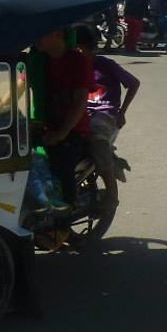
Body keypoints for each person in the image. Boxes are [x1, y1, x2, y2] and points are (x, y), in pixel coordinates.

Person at [74, 26, 139, 211]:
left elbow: (134, 84)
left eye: (79, 48)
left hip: (105, 112)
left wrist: (122, 112)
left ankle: (111, 193)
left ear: (87, 47)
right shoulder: (75, 66)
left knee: (96, 139)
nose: (77, 52)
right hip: (81, 111)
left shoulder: (106, 65)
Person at [35, 29, 94, 205]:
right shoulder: (39, 60)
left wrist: (62, 133)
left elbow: (80, 101)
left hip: (72, 131)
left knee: (60, 169)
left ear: (58, 34)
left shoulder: (76, 60)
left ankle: (64, 222)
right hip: (46, 124)